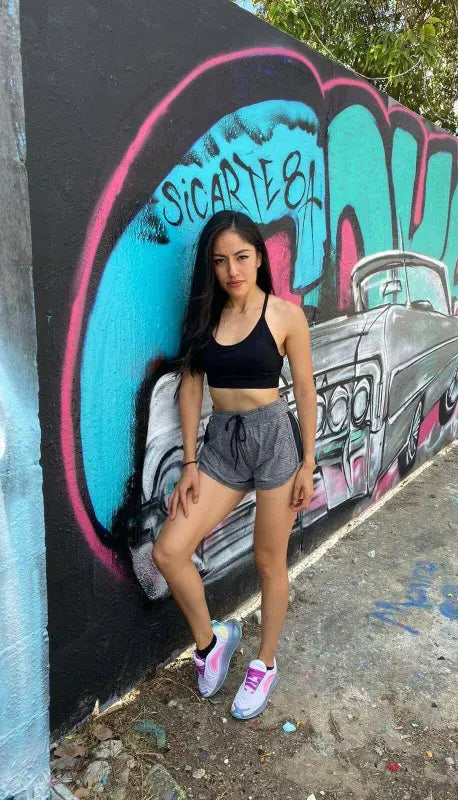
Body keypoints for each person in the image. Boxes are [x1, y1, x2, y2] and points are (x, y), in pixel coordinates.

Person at [152, 210, 316, 720]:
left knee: (269, 561)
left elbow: (306, 391)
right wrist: (190, 462)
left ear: (259, 257)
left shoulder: (285, 316)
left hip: (273, 444)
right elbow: (192, 387)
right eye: (221, 261)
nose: (232, 270)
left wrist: (308, 462)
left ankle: (264, 663)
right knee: (169, 550)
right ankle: (211, 642)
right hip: (221, 444)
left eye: (241, 257)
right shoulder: (205, 316)